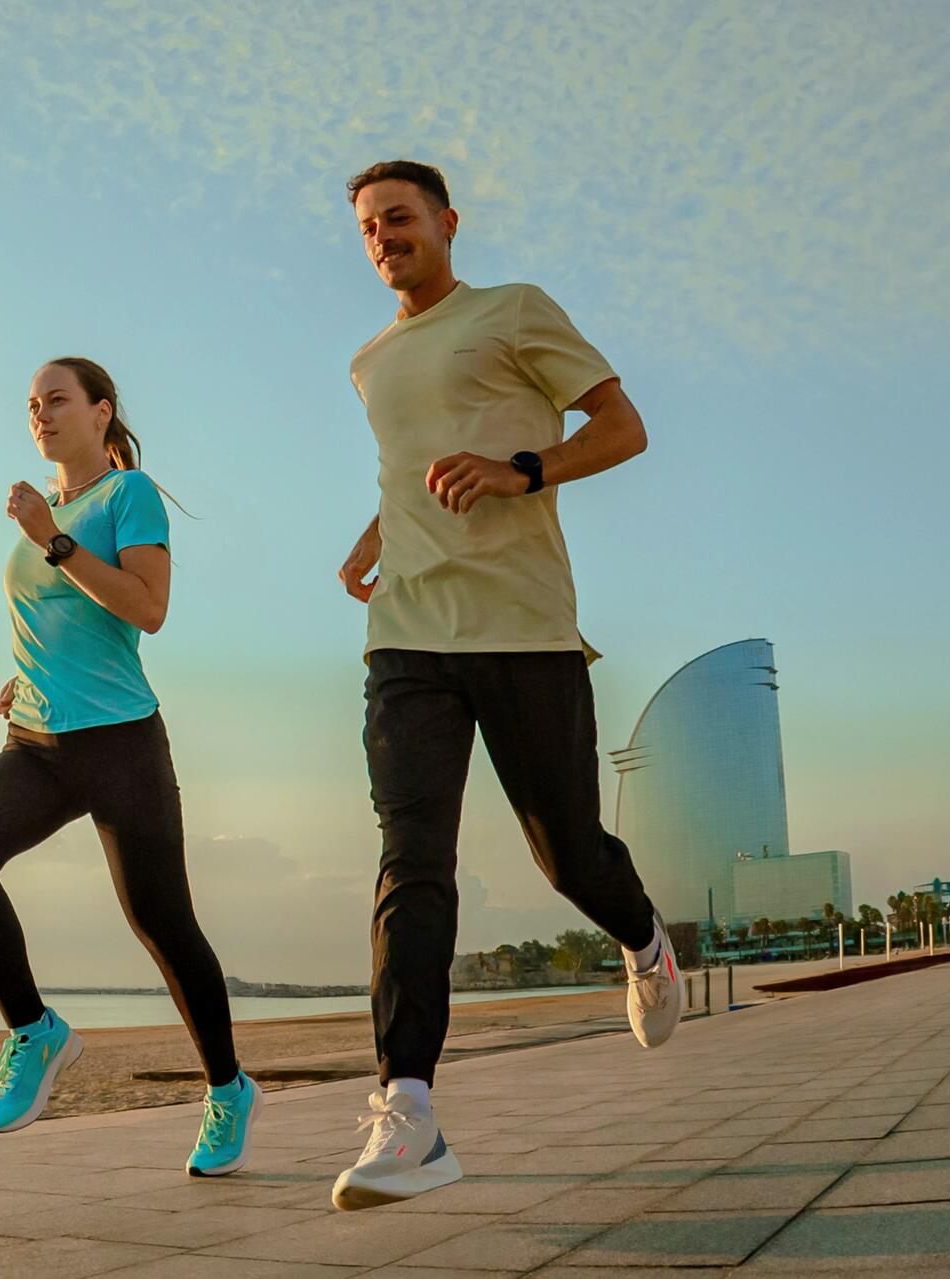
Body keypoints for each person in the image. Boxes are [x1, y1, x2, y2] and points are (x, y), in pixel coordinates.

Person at [328, 161, 682, 1211]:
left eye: (399, 216)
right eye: (367, 225)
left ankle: (643, 939)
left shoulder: (514, 311)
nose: (384, 234)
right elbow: (410, 473)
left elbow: (623, 426)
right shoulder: (369, 359)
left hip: (523, 628)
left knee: (567, 850)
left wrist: (522, 469)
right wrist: (371, 539)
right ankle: (411, 1111)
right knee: (412, 856)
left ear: (445, 222)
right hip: (408, 639)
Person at [0, 356, 260, 1176]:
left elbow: (147, 609)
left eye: (57, 399)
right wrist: (27, 672)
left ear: (101, 411)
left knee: (163, 924)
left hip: (119, 743)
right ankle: (35, 1031)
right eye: (31, 404)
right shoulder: (53, 509)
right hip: (38, 741)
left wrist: (50, 536)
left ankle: (227, 1089)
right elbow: (55, 615)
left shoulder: (127, 496)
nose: (40, 413)